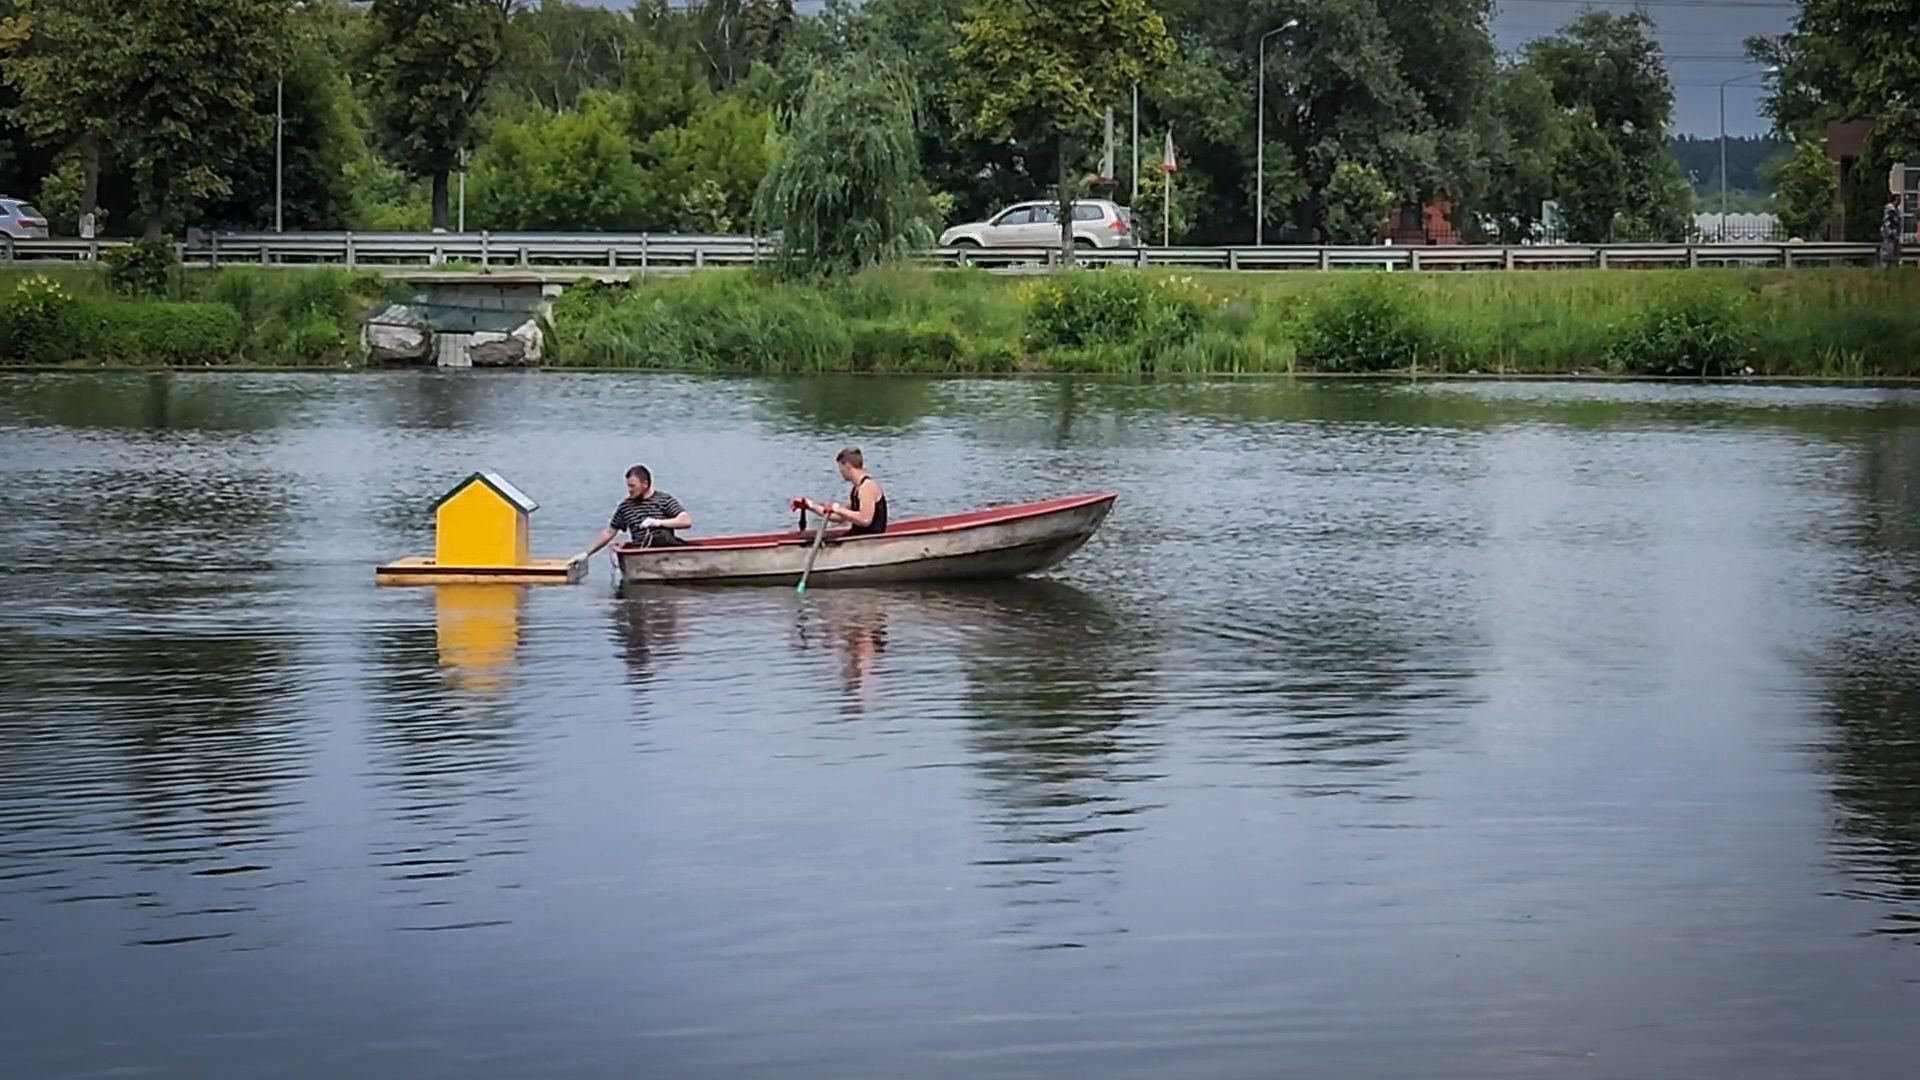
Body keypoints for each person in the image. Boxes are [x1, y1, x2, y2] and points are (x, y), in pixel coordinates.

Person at [578, 464, 692, 562]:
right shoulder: (626, 507)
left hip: (666, 552)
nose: (629, 490)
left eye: (633, 486)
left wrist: (657, 523)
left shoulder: (664, 500)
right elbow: (609, 532)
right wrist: (587, 554)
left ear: (645, 484)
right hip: (641, 553)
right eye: (628, 486)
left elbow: (686, 521)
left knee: (661, 536)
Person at [797, 447, 888, 536]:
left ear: (848, 466)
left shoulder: (867, 487)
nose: (840, 471)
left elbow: (865, 520)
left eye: (841, 467)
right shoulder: (857, 489)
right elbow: (840, 517)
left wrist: (837, 508)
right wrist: (810, 505)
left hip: (868, 540)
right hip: (857, 536)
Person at [1881, 189, 1904, 269]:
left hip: (1896, 236)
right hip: (1890, 236)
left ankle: (1894, 269)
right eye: (1898, 199)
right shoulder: (1890, 209)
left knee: (1895, 254)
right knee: (1888, 253)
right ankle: (1887, 268)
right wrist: (1890, 232)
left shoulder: (1896, 210)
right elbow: (1887, 222)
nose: (1900, 201)